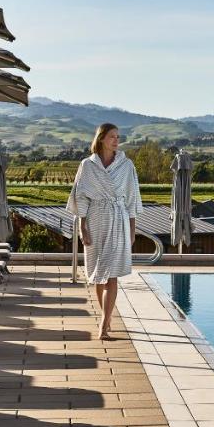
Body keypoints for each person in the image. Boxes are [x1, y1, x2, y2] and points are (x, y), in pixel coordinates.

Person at [67, 122, 142, 340]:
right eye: (112, 137)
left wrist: (133, 228)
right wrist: (82, 227)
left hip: (118, 220)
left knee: (112, 275)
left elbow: (132, 198)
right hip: (95, 221)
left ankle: (103, 324)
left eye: (118, 137)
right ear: (101, 139)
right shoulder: (87, 165)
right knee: (99, 276)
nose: (116, 141)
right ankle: (106, 318)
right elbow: (80, 196)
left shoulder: (126, 165)